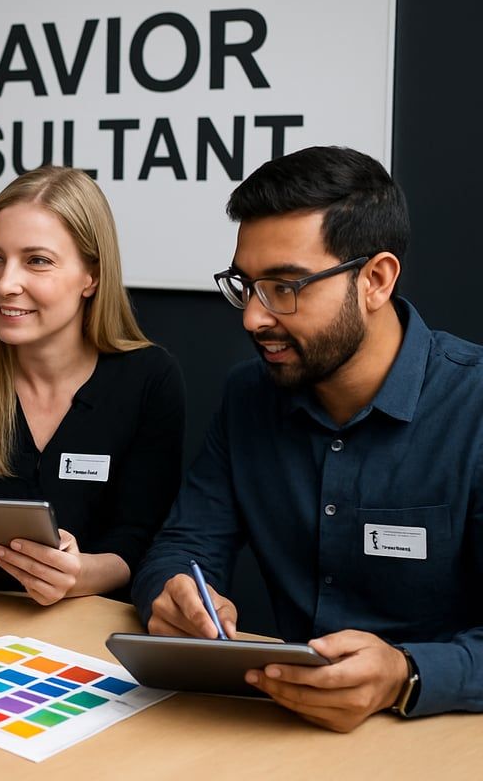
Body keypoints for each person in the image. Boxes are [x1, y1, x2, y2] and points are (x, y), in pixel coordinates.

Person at [132, 146, 483, 731]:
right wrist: (172, 593)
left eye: (286, 287)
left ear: (375, 279)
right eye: (245, 285)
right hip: (282, 729)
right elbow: (185, 542)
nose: (252, 318)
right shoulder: (249, 396)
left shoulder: (472, 407)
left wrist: (407, 674)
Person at [0, 166, 185, 604]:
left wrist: (78, 575)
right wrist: (12, 571)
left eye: (37, 261)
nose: (5, 284)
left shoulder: (149, 378)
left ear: (92, 276)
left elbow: (143, 539)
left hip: (87, 630)